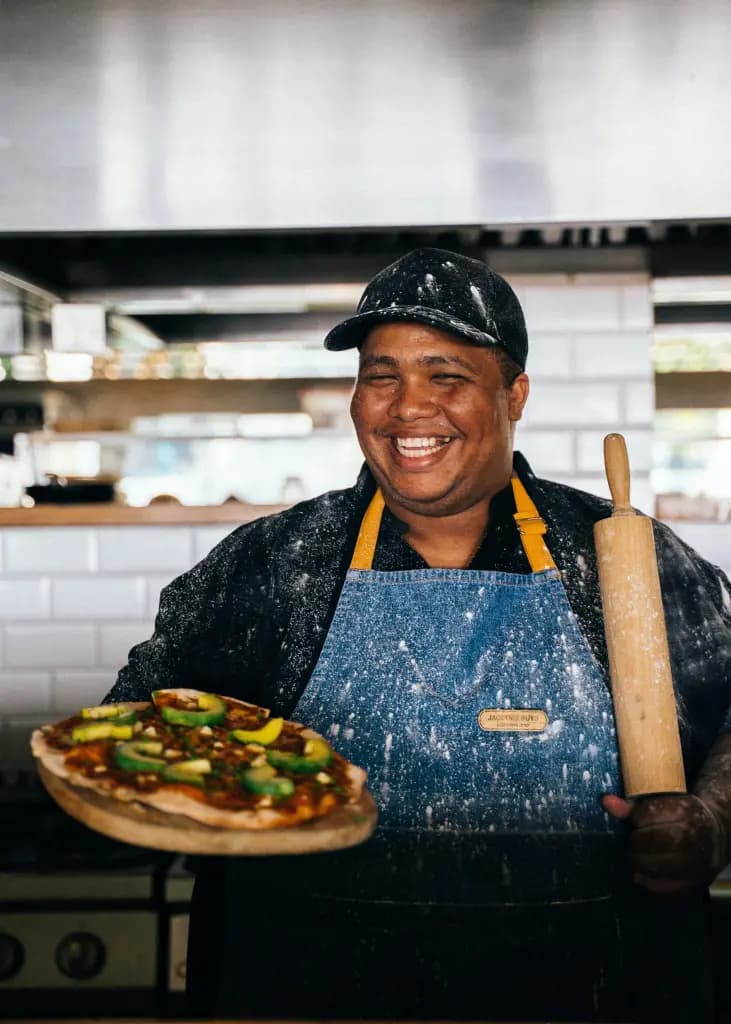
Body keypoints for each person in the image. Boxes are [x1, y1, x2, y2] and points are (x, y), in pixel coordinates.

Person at [106, 248, 731, 1023]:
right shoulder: (272, 564)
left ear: (514, 393)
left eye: (446, 376)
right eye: (381, 376)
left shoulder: (621, 557)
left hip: (597, 993)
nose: (407, 408)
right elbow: (134, 736)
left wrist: (711, 820)